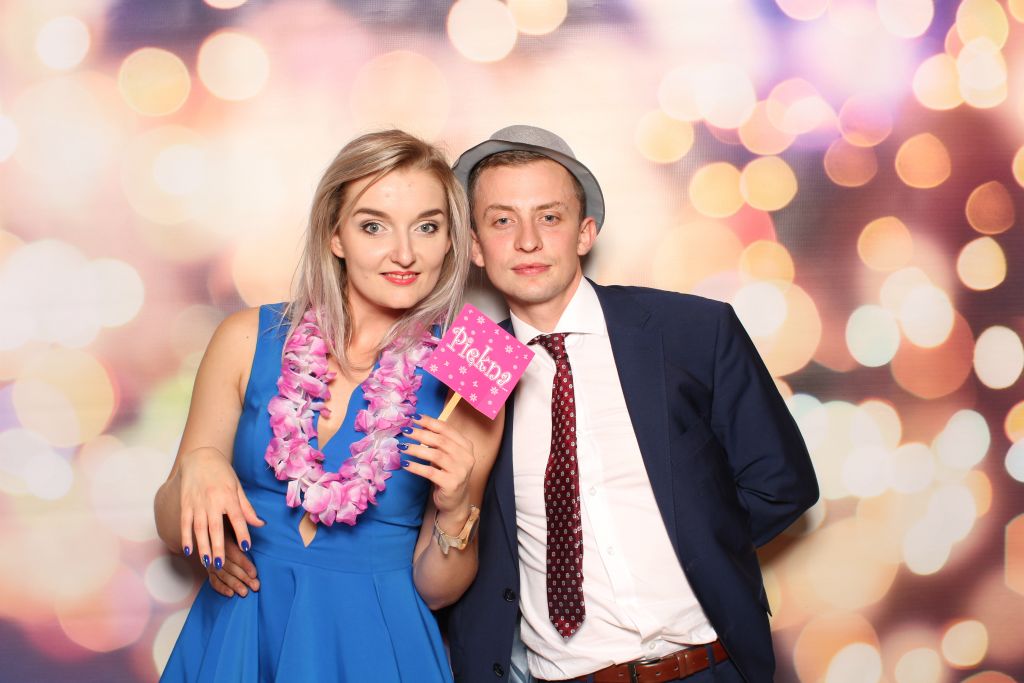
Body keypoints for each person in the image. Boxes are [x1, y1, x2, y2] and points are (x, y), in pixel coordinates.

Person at [445, 126, 819, 683]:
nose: (527, 241)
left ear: (585, 232)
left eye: (549, 217)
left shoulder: (692, 330)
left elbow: (782, 484)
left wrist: (697, 546)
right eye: (502, 221)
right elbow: (453, 535)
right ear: (475, 246)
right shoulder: (470, 365)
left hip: (709, 667)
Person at [154, 130, 502, 682]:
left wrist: (458, 508)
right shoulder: (246, 338)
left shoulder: (472, 366)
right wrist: (196, 464)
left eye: (427, 227)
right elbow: (172, 529)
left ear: (450, 243)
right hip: (245, 631)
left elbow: (438, 591)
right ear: (335, 236)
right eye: (373, 226)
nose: (404, 253)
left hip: (377, 647)